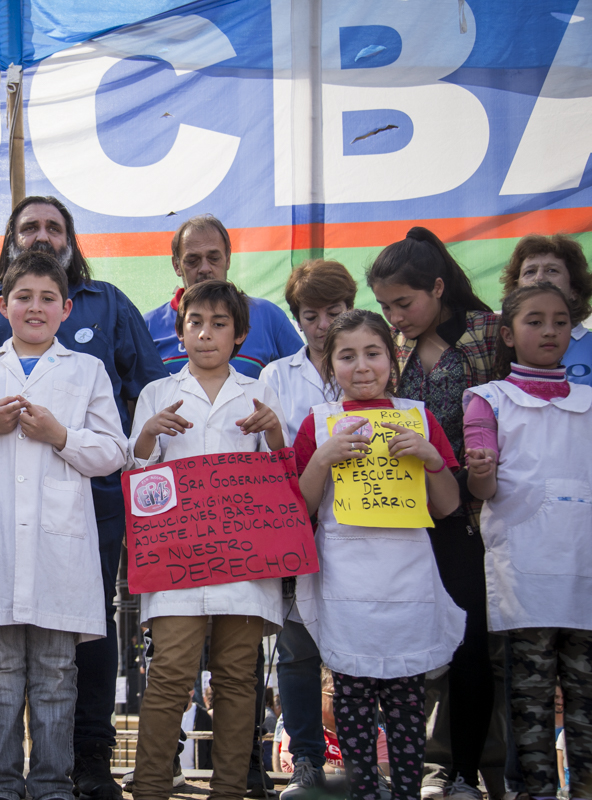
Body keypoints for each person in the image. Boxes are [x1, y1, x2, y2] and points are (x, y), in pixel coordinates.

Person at [0, 197, 166, 800]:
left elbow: (147, 387)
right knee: (0, 649)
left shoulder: (108, 302)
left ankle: (85, 761)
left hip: (94, 501)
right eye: (29, 227)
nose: (42, 235)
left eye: (53, 227)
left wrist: (126, 457)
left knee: (83, 632)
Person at [0, 249, 127, 800]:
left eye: (48, 298)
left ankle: (51, 784)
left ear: (66, 309)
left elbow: (114, 452)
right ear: (2, 305)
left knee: (55, 672)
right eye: (23, 297)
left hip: (58, 549)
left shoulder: (87, 370)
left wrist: (60, 436)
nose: (35, 307)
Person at [293, 309, 466, 800]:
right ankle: (364, 790)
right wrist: (323, 458)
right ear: (330, 365)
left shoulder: (418, 418)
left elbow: (449, 505)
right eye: (347, 356)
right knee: (351, 700)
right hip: (346, 582)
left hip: (407, 579)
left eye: (373, 353)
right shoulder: (318, 424)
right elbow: (302, 508)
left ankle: (407, 791)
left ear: (392, 358)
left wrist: (430, 457)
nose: (362, 366)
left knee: (407, 700)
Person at [126, 280, 287, 800]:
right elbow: (138, 475)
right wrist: (147, 435)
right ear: (180, 332)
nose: (205, 333)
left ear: (239, 334)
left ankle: (229, 791)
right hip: (177, 558)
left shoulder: (260, 391)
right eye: (195, 322)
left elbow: (281, 477)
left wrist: (275, 432)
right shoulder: (158, 393)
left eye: (219, 324)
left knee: (237, 678)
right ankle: (151, 788)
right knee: (170, 673)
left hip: (243, 558)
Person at [367, 227, 499, 800]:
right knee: (405, 644)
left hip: (468, 516)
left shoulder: (488, 333)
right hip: (400, 518)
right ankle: (415, 769)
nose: (395, 318)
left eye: (404, 303)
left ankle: (466, 773)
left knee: (469, 645)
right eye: (384, 307)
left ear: (439, 288)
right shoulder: (392, 349)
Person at [464, 282, 592, 800]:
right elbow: (484, 490)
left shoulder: (589, 401)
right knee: (530, 695)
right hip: (526, 571)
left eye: (560, 321)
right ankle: (535, 791)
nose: (549, 331)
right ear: (509, 335)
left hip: (585, 565)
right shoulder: (488, 400)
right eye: (534, 321)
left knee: (586, 696)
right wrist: (480, 472)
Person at [257, 260, 356, 800]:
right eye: (310, 316)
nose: (322, 326)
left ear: (351, 308)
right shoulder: (276, 376)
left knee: (359, 650)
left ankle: (362, 763)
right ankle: (307, 763)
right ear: (296, 319)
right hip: (296, 527)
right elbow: (263, 455)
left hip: (363, 527)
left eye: (333, 313)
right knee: (296, 652)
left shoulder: (368, 365)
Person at [145, 215, 302, 378]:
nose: (204, 268)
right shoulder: (148, 327)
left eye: (213, 258)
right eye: (192, 260)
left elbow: (304, 378)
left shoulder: (268, 316)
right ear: (176, 265)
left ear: (228, 259)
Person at [499, 233, 592, 386]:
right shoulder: (497, 345)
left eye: (552, 270)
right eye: (530, 271)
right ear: (515, 290)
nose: (539, 278)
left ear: (574, 290)